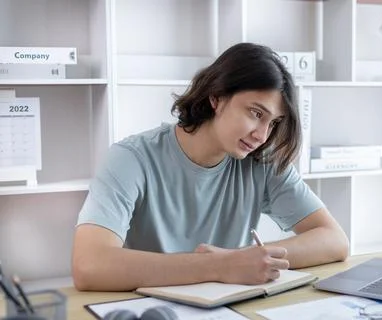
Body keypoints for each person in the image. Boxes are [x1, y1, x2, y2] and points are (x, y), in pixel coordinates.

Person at [72, 42, 349, 291]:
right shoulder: (130, 159)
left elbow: (335, 240)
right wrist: (221, 266)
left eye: (274, 122)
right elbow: (89, 265)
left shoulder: (261, 162)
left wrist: (245, 260)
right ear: (216, 97)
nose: (262, 135)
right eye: (256, 113)